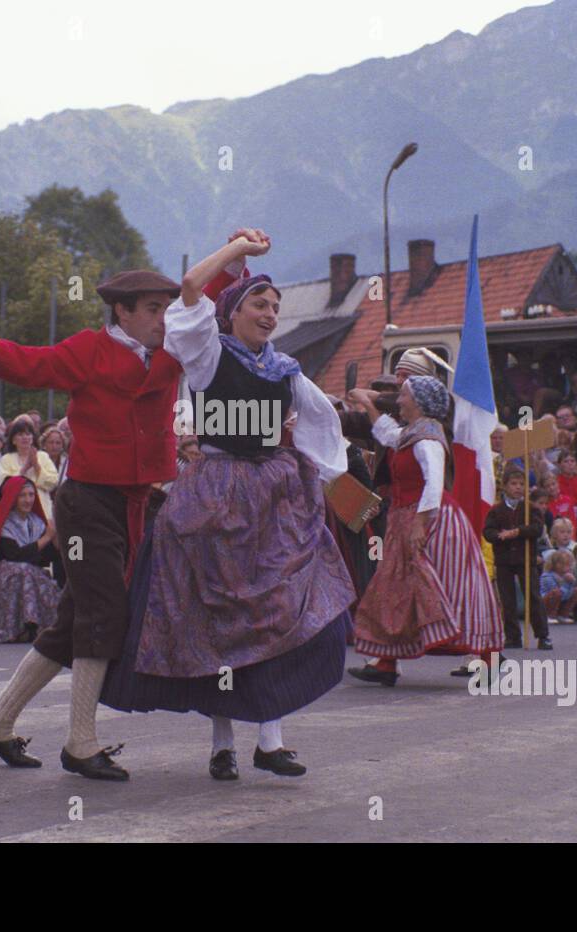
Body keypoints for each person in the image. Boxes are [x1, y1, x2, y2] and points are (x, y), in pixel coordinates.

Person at [100, 230, 354, 780]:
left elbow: (323, 429)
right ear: (233, 312)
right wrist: (237, 249)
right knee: (219, 621)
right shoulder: (207, 356)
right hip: (215, 497)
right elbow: (191, 285)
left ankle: (271, 738)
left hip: (276, 500)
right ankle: (222, 743)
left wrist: (337, 484)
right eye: (260, 304)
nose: (269, 314)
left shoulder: (286, 372)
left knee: (280, 615)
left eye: (275, 307)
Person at [0, 263, 184, 782]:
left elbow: (209, 299)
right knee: (104, 613)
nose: (164, 320)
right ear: (123, 311)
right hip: (87, 502)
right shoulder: (88, 350)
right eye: (155, 310)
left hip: (133, 501)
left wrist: (237, 256)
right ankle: (80, 743)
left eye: (167, 309)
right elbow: (30, 364)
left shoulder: (173, 349)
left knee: (73, 621)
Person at [346, 375, 504, 681]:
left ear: (418, 402)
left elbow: (434, 481)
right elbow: (389, 434)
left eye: (404, 396)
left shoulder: (428, 438)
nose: (400, 401)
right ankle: (386, 662)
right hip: (408, 519)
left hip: (433, 522)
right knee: (394, 588)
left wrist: (420, 524)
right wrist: (368, 403)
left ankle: (488, 657)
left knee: (452, 587)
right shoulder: (413, 432)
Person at [0, 475, 60, 644]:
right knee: (22, 569)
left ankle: (37, 624)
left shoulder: (37, 522)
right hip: (4, 579)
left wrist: (58, 542)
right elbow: (15, 555)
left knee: (34, 573)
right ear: (13, 498)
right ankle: (19, 626)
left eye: (31, 495)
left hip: (31, 575)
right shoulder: (3, 524)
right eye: (22, 495)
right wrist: (46, 539)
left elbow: (47, 556)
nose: (28, 500)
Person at [483, 466, 553, 650]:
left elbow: (537, 529)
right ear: (505, 486)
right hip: (505, 559)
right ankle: (512, 636)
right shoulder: (496, 510)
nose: (517, 487)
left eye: (521, 484)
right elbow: (487, 531)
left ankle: (543, 635)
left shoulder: (530, 508)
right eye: (513, 484)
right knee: (507, 600)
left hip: (525, 558)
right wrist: (499, 536)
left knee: (533, 596)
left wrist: (518, 532)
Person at [1, 418, 59, 518]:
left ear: (32, 438)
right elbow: (4, 485)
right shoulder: (6, 459)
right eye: (20, 434)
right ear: (13, 440)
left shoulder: (43, 456)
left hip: (43, 510)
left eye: (28, 434)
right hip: (16, 512)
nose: (25, 437)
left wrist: (36, 465)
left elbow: (53, 482)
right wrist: (25, 468)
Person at [540, 550, 577, 625]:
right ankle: (549, 616)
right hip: (544, 603)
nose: (570, 567)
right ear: (558, 565)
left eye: (570, 565)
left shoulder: (566, 574)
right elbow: (558, 595)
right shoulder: (547, 576)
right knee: (556, 593)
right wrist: (567, 583)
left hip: (561, 598)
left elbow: (567, 594)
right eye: (567, 565)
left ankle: (562, 615)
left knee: (576, 591)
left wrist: (572, 583)